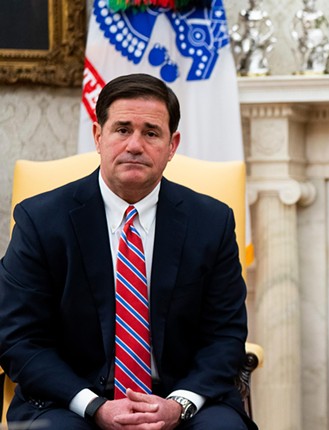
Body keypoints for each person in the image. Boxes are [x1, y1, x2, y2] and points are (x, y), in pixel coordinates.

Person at [0, 74, 256, 430]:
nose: (135, 144)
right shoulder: (41, 220)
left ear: (172, 145)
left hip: (179, 400)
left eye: (151, 133)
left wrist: (177, 405)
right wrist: (95, 407)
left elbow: (225, 336)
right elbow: (18, 338)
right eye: (122, 129)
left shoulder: (211, 222)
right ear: (98, 136)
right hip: (71, 401)